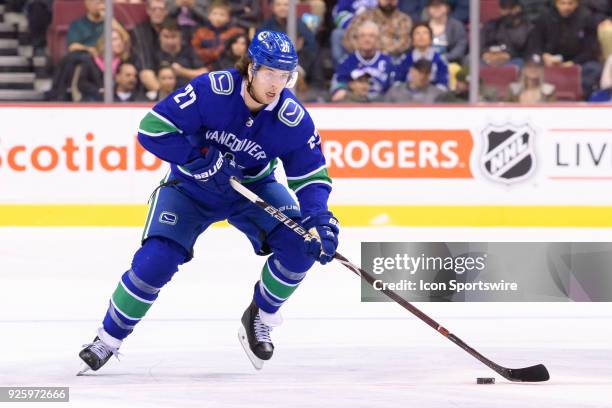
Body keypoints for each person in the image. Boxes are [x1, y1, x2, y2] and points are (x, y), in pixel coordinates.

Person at [77, 31, 340, 374]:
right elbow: (152, 128)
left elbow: (311, 177)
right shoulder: (211, 91)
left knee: (298, 245)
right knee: (156, 261)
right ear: (251, 67)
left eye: (284, 75)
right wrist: (197, 161)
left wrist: (319, 219)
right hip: (189, 189)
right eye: (269, 73)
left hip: (252, 189)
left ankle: (261, 313)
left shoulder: (292, 118)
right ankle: (107, 339)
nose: (277, 84)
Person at [528, 0, 602, 97]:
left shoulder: (587, 18)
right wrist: (544, 56)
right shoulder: (545, 17)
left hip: (578, 62)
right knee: (530, 66)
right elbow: (535, 45)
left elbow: (591, 50)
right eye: (562, 3)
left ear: (576, 4)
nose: (566, 7)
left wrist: (572, 63)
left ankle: (580, 97)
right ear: (556, 3)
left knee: (594, 68)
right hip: (549, 61)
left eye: (570, 3)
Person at [330, 21, 394, 102]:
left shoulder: (387, 61)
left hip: (381, 105)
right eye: (362, 36)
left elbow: (395, 88)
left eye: (371, 36)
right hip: (354, 104)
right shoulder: (347, 61)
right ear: (357, 40)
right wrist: (344, 88)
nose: (366, 39)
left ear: (378, 39)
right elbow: (337, 84)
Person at [139, 18, 208, 89]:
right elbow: (146, 74)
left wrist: (182, 71)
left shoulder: (189, 50)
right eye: (166, 36)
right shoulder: (153, 51)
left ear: (180, 36)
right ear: (159, 36)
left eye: (173, 36)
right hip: (162, 95)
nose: (170, 41)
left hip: (187, 93)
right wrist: (166, 94)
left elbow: (204, 73)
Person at [75, 27, 132, 102]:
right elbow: (82, 84)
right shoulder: (90, 61)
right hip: (94, 101)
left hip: (118, 102)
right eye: (114, 39)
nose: (119, 43)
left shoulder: (126, 62)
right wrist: (99, 91)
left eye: (120, 39)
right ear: (104, 43)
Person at [343, 0, 413, 59]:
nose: (388, 1)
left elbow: (405, 42)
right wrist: (364, 50)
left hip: (392, 59)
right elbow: (349, 37)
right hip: (363, 57)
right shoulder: (364, 16)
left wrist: (381, 53)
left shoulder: (404, 20)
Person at [131, 0, 170, 100]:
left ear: (166, 11)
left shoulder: (173, 29)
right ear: (148, 11)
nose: (157, 12)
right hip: (150, 73)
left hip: (172, 71)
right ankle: (166, 99)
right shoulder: (140, 31)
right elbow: (143, 61)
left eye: (161, 9)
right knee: (146, 74)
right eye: (154, 9)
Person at [191, 0, 246, 68]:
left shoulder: (235, 32)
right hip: (204, 65)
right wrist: (215, 53)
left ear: (228, 18)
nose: (218, 18)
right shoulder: (201, 32)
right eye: (214, 13)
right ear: (209, 15)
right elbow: (195, 51)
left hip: (228, 65)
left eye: (222, 14)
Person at [394, 22, 449, 89]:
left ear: (431, 39)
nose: (421, 36)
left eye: (425, 33)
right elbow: (398, 81)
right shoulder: (405, 59)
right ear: (412, 40)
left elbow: (443, 83)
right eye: (417, 33)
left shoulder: (440, 59)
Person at [481, 0, 533, 68]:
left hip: (514, 59)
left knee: (522, 63)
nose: (508, 11)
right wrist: (485, 53)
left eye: (511, 8)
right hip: (489, 58)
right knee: (470, 59)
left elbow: (529, 52)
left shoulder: (528, 28)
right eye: (504, 8)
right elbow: (481, 45)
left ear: (519, 8)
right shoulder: (492, 25)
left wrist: (509, 55)